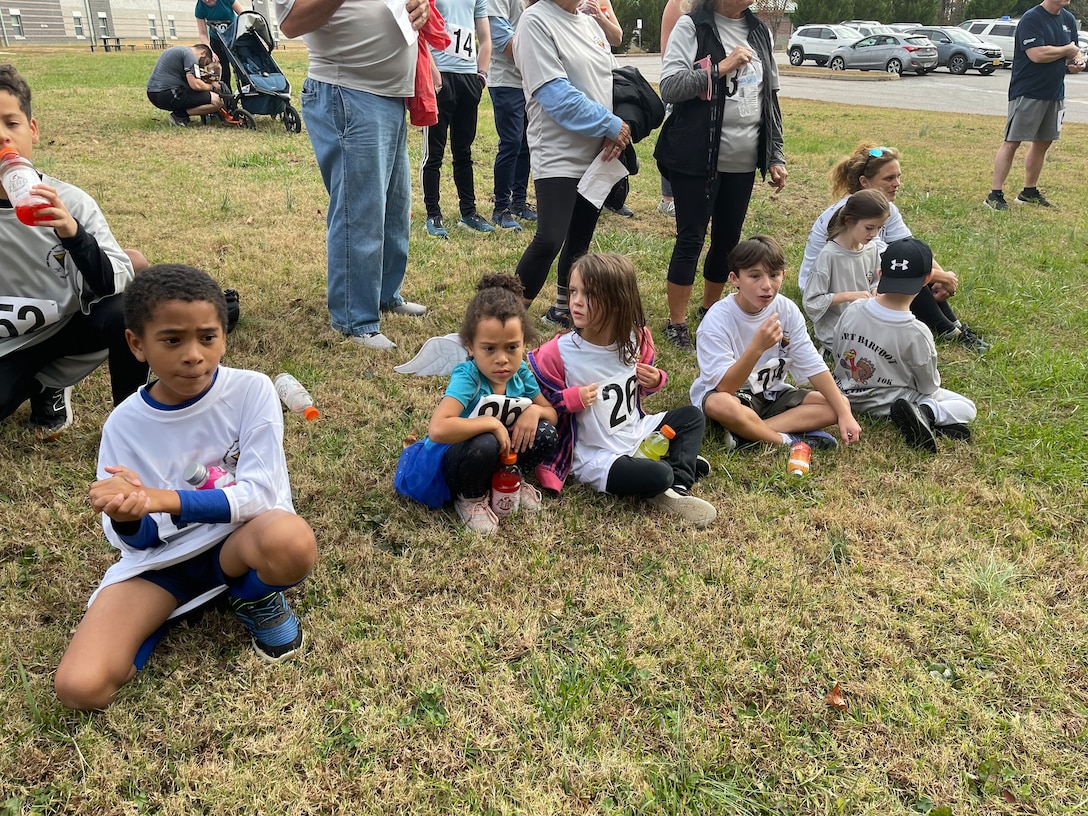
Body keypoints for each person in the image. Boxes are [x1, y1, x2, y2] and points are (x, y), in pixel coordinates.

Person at [53, 265, 318, 711]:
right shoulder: (125, 425)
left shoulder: (252, 391)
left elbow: (257, 496)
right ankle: (164, 613)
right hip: (163, 565)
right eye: (172, 340)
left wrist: (161, 499)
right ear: (137, 344)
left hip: (241, 540)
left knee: (291, 541)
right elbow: (138, 543)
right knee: (80, 687)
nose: (194, 354)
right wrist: (128, 513)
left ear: (224, 337)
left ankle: (253, 595)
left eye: (208, 337)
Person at [0, 64, 148, 441]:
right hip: (10, 342)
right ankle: (40, 385)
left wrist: (71, 232)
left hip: (68, 326)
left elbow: (112, 282)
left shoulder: (70, 201)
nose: (2, 138)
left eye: (11, 123)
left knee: (127, 304)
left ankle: (130, 427)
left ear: (31, 130)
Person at [274, 0, 431, 351]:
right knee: (359, 213)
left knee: (393, 208)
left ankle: (384, 293)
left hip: (389, 95)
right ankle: (353, 317)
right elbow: (290, 21)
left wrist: (416, 11)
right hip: (348, 90)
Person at [529, 252, 717, 528]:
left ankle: (677, 485)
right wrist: (570, 400)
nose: (577, 301)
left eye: (589, 294)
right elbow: (537, 403)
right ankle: (671, 470)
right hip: (596, 453)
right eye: (573, 291)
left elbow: (635, 392)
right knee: (659, 474)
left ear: (618, 301)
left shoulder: (636, 338)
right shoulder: (557, 353)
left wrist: (655, 380)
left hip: (636, 430)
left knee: (692, 417)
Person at [654, 0, 786, 350]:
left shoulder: (759, 32)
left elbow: (769, 98)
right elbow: (670, 86)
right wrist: (721, 67)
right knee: (691, 239)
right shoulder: (692, 26)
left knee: (728, 241)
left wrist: (774, 154)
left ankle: (710, 310)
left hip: (742, 160)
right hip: (695, 156)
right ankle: (677, 322)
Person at [397, 274, 559, 533]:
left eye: (511, 348)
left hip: (499, 456)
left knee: (545, 433)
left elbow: (552, 416)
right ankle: (470, 498)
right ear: (470, 347)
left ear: (524, 345)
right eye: (489, 349)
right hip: (458, 460)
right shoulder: (468, 376)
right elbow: (439, 429)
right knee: (486, 440)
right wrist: (490, 423)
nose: (502, 359)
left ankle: (511, 477)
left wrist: (536, 410)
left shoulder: (522, 375)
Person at [799, 143, 991, 354]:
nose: (897, 183)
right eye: (889, 178)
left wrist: (941, 276)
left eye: (898, 176)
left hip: (862, 280)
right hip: (830, 287)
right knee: (905, 273)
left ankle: (954, 325)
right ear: (865, 182)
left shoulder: (883, 209)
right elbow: (895, 261)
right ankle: (947, 330)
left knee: (911, 268)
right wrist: (940, 277)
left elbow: (911, 248)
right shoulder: (853, 217)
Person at [513, 0, 629, 329]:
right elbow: (555, 96)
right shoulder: (534, 22)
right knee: (550, 237)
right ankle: (507, 315)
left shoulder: (591, 23)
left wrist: (614, 128)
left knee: (580, 238)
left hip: (600, 153)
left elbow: (609, 82)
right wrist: (611, 126)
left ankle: (563, 309)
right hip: (558, 151)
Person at [691, 236, 861, 452]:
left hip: (771, 394)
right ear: (735, 279)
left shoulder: (786, 309)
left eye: (774, 275)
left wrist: (845, 414)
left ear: (783, 275)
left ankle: (749, 434)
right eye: (754, 276)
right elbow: (725, 387)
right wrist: (757, 348)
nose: (766, 286)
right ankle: (786, 441)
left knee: (837, 403)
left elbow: (811, 362)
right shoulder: (717, 319)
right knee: (719, 404)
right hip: (734, 397)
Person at [832, 238, 977, 453]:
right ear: (927, 279)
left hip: (844, 393)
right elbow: (928, 386)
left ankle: (926, 421)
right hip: (886, 402)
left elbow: (837, 350)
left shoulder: (853, 308)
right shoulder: (916, 332)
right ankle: (925, 415)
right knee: (967, 408)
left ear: (880, 274)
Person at [985, 0, 1084, 210]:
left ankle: (1028, 191)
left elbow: (1074, 50)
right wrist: (1066, 50)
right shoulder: (1032, 18)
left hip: (1055, 92)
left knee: (1044, 141)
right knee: (1013, 140)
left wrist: (1076, 61)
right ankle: (994, 194)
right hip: (1028, 91)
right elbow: (1037, 55)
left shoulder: (1067, 19)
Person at [421, 0, 495, 238]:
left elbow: (485, 38)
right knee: (434, 153)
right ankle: (433, 214)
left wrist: (481, 76)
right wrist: (435, 76)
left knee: (464, 151)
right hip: (440, 78)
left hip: (467, 81)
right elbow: (419, 32)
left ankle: (469, 212)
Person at [802, 189, 888, 353]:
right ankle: (827, 351)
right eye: (869, 227)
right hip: (837, 332)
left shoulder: (871, 249)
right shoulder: (829, 255)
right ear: (849, 221)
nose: (874, 234)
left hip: (866, 326)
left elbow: (875, 281)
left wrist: (875, 290)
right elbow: (811, 302)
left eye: (879, 228)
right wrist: (848, 296)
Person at [486, 0, 537, 230]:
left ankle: (519, 202)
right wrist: (542, 51)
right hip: (505, 81)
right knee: (511, 143)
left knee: (526, 143)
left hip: (529, 81)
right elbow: (502, 41)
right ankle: (501, 208)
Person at [146, 43, 225, 127]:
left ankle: (180, 113)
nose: (203, 66)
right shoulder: (191, 55)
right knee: (217, 101)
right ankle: (179, 116)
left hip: (153, 93)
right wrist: (212, 87)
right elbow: (195, 85)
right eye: (206, 62)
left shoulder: (179, 50)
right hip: (167, 93)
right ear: (203, 52)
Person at [195, 0, 244, 89]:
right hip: (216, 39)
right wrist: (210, 51)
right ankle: (226, 97)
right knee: (223, 70)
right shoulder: (200, 7)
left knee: (241, 68)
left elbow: (243, 15)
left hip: (233, 37)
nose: (206, 1)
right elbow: (202, 34)